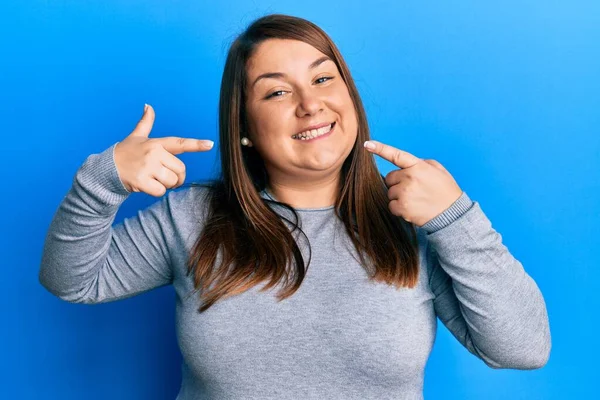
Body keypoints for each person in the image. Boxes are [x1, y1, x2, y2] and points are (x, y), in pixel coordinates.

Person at [39, 13, 551, 400]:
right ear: (243, 129)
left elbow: (523, 349)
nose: (310, 103)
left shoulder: (415, 223)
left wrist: (456, 217)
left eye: (324, 79)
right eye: (277, 92)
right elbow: (73, 281)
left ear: (349, 96)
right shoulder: (191, 218)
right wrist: (101, 181)